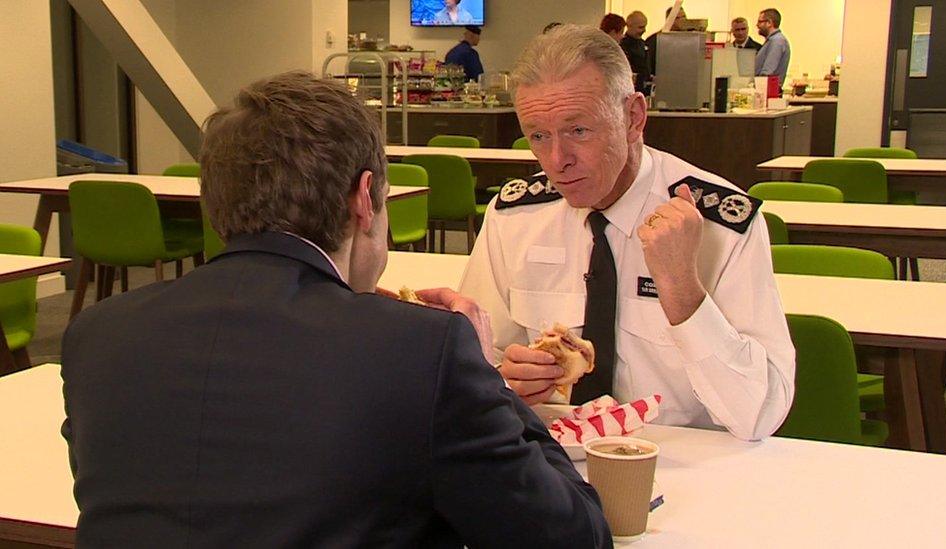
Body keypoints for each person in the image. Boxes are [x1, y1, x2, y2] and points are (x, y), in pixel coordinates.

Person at [60, 71, 611, 547]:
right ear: (364, 198)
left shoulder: (98, 334)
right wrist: (484, 381)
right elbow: (571, 536)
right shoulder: (420, 349)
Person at [458, 25, 796, 442]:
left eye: (578, 131)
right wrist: (508, 382)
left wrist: (683, 293)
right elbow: (476, 368)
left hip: (691, 466)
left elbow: (760, 414)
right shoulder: (515, 218)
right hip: (554, 461)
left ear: (633, 117)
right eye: (539, 137)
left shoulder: (720, 225)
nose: (556, 160)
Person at [645, 6, 687, 79]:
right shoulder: (655, 39)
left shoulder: (688, 39)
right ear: (669, 19)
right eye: (677, 18)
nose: (682, 20)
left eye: (684, 17)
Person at [755, 8, 791, 87]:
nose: (757, 25)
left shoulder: (777, 41)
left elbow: (767, 72)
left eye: (760, 22)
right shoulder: (772, 41)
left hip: (768, 92)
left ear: (769, 23)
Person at [620, 11, 651, 95]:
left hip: (645, 91)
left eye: (645, 27)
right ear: (629, 26)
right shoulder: (622, 46)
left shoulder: (644, 44)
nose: (644, 30)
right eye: (640, 27)